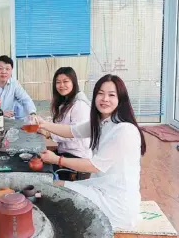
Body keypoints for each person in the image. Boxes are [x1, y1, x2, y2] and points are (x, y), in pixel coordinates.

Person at [36, 74, 146, 230]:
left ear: (121, 99)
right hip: (101, 186)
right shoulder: (101, 121)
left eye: (111, 95)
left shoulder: (124, 130)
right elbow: (71, 131)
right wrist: (44, 124)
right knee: (55, 186)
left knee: (55, 193)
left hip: (116, 202)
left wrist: (57, 160)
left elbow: (94, 166)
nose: (105, 99)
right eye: (100, 93)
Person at [38, 67, 92, 180]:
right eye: (58, 82)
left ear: (74, 82)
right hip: (66, 153)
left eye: (65, 81)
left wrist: (48, 133)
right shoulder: (65, 102)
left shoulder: (80, 105)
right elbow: (61, 127)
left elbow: (74, 134)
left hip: (77, 159)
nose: (61, 85)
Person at [0, 55, 37, 120]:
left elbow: (26, 99)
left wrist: (32, 113)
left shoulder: (14, 84)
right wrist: (0, 114)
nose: (4, 72)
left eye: (7, 69)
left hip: (10, 123)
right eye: (0, 68)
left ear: (11, 71)